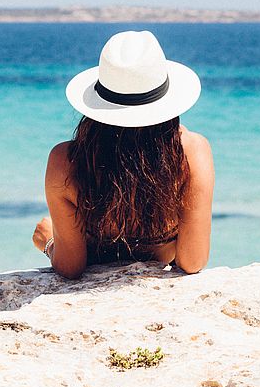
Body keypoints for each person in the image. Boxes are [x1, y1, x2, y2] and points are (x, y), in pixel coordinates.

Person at [32, 30, 214, 279]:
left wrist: (49, 241)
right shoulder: (191, 153)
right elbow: (193, 261)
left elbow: (71, 267)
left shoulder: (66, 161)